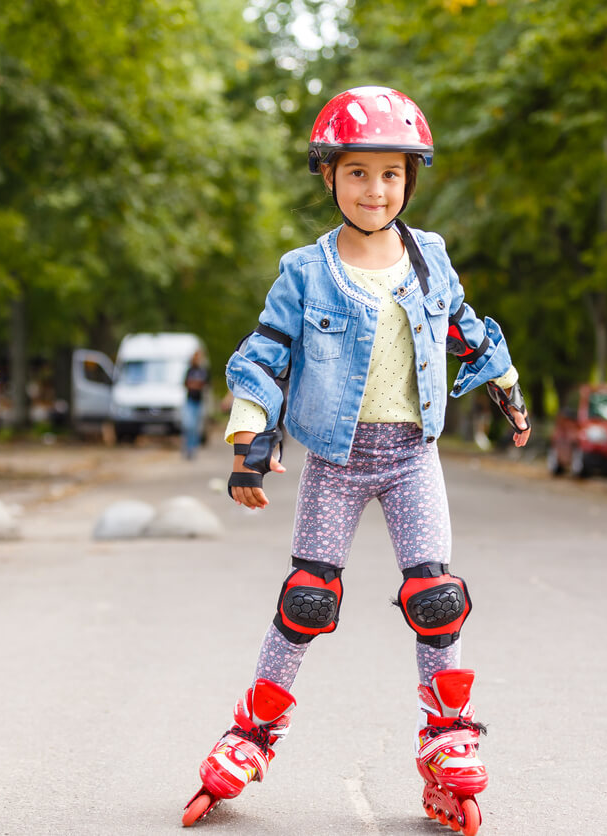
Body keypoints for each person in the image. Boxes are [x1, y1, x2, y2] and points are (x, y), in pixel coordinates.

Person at [181, 86, 530, 833]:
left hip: (412, 455)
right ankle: (251, 734)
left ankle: (447, 741)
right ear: (329, 175)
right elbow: (265, 358)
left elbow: (466, 328)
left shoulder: (430, 258)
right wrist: (250, 443)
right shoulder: (305, 271)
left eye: (393, 174)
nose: (377, 190)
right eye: (359, 173)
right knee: (307, 596)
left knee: (437, 598)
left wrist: (504, 383)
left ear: (411, 179)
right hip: (336, 460)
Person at [182, 349, 210, 459]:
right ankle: (188, 447)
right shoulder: (190, 370)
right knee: (189, 425)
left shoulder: (204, 371)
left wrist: (194, 384)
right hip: (190, 401)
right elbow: (186, 384)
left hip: (200, 402)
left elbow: (205, 385)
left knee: (196, 427)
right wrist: (196, 384)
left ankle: (193, 448)